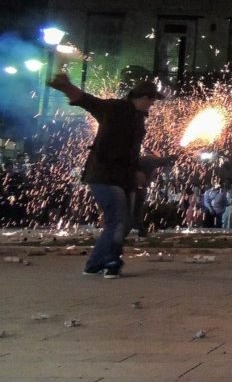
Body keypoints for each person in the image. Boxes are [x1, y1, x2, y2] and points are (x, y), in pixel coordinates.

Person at [47, 74, 165, 278]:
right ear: (146, 97)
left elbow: (130, 153)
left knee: (123, 222)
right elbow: (87, 100)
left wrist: (140, 168)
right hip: (104, 175)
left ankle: (94, 264)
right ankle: (111, 261)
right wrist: (67, 87)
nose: (153, 105)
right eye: (153, 100)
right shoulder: (115, 108)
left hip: (122, 178)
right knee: (118, 221)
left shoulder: (138, 120)